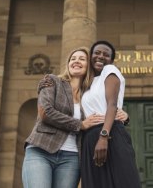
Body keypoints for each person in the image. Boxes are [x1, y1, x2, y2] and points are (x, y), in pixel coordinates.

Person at [22, 47, 105, 188]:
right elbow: (45, 113)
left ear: (89, 66)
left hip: (71, 159)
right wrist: (80, 124)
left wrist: (123, 115)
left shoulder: (91, 95)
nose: (76, 61)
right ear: (68, 64)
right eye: (73, 59)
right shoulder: (52, 81)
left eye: (82, 59)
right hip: (41, 150)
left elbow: (103, 115)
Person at [81, 40, 141, 188]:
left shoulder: (109, 70)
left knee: (123, 182)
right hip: (89, 139)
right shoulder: (86, 83)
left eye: (106, 55)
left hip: (109, 134)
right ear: (90, 56)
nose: (101, 56)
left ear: (111, 60)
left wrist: (103, 137)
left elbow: (112, 104)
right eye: (97, 53)